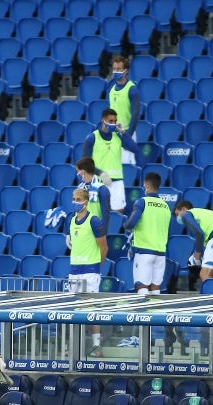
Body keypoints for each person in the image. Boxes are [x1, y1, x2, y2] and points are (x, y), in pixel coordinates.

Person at [65, 188, 108, 356]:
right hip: (74, 269)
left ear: (86, 201)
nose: (75, 202)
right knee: (74, 309)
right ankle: (74, 346)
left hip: (90, 270)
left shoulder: (94, 221)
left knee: (91, 308)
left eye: (78, 199)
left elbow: (104, 247)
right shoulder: (72, 220)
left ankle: (97, 346)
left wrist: (97, 265)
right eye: (73, 199)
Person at [82, 108, 140, 215]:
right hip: (99, 182)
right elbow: (85, 164)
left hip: (117, 182)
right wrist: (101, 173)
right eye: (110, 121)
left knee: (118, 216)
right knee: (99, 215)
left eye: (115, 121)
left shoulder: (118, 136)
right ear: (103, 120)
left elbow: (135, 149)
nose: (113, 123)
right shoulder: (92, 138)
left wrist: (123, 132)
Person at [124, 172, 170, 295]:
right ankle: (154, 313)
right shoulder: (166, 206)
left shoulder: (142, 202)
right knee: (155, 287)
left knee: (141, 286)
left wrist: (126, 226)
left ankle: (143, 313)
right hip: (161, 252)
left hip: (144, 251)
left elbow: (130, 224)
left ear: (146, 185)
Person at [172, 201, 213, 285]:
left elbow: (199, 234)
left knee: (204, 274)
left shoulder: (187, 214)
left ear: (184, 209)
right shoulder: (202, 214)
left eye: (178, 214)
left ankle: (208, 296)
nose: (178, 217)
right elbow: (204, 240)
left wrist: (197, 253)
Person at [107, 56, 140, 165]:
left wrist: (128, 136)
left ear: (126, 71)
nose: (116, 71)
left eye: (118, 69)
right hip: (114, 134)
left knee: (128, 166)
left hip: (126, 132)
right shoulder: (112, 90)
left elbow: (135, 114)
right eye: (114, 69)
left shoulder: (132, 89)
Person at [75, 157, 112, 234]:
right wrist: (70, 232)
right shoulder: (79, 188)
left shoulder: (102, 189)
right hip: (80, 230)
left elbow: (105, 214)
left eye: (78, 171)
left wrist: (102, 233)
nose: (77, 174)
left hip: (94, 230)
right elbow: (76, 211)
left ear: (83, 172)